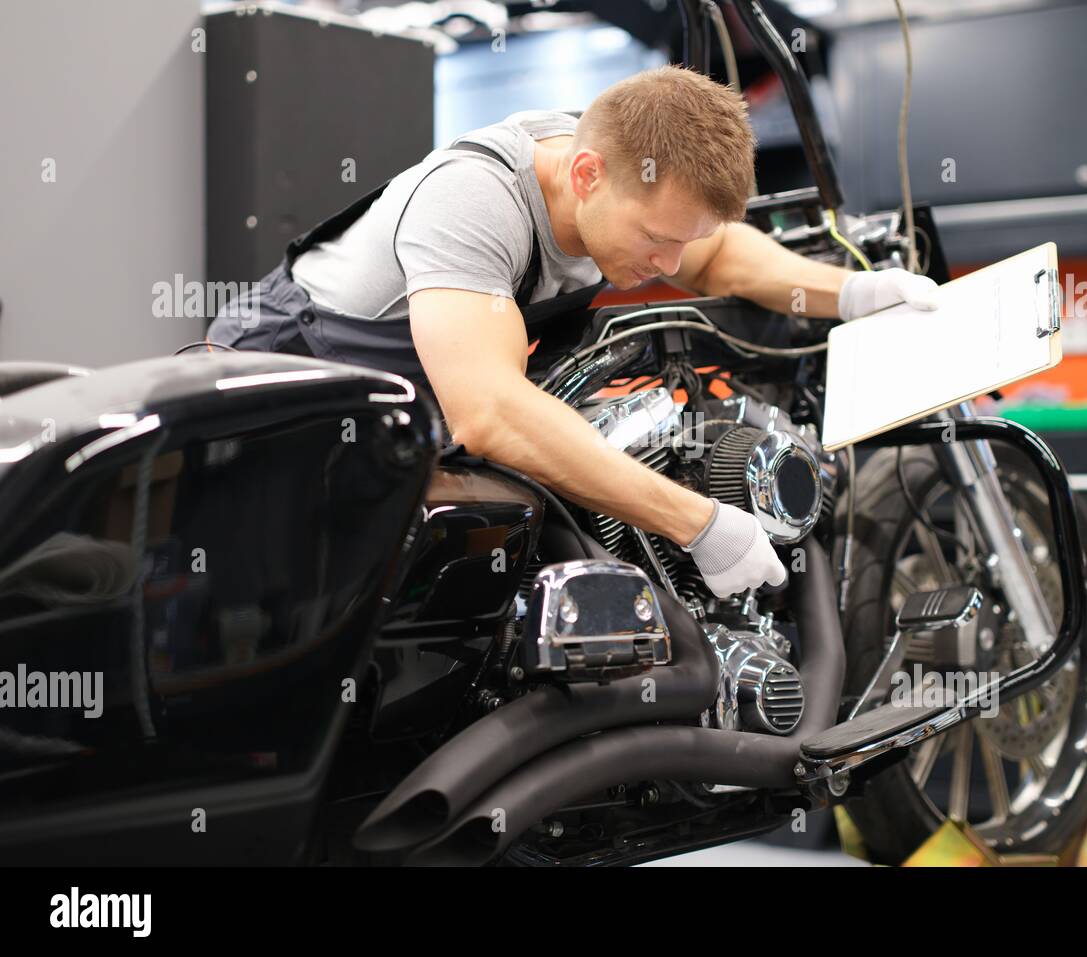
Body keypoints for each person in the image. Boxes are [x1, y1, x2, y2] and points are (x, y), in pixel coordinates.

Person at [207, 65, 938, 599]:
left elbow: (717, 255)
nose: (669, 265)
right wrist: (699, 522)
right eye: (657, 240)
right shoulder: (475, 200)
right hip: (283, 409)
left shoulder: (624, 175)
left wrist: (855, 292)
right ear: (585, 175)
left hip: (420, 409)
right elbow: (490, 412)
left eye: (680, 241)